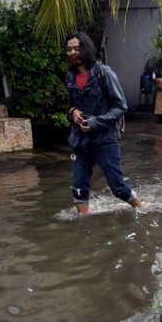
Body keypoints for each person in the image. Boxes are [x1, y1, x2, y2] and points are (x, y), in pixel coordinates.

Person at [65, 31, 143, 214]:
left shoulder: (104, 74)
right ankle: (83, 226)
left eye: (76, 48)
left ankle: (142, 209)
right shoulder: (70, 77)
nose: (72, 53)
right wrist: (73, 111)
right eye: (69, 50)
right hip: (80, 140)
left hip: (105, 139)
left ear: (85, 49)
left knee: (118, 187)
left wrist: (95, 122)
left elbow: (121, 106)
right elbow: (71, 104)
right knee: (78, 188)